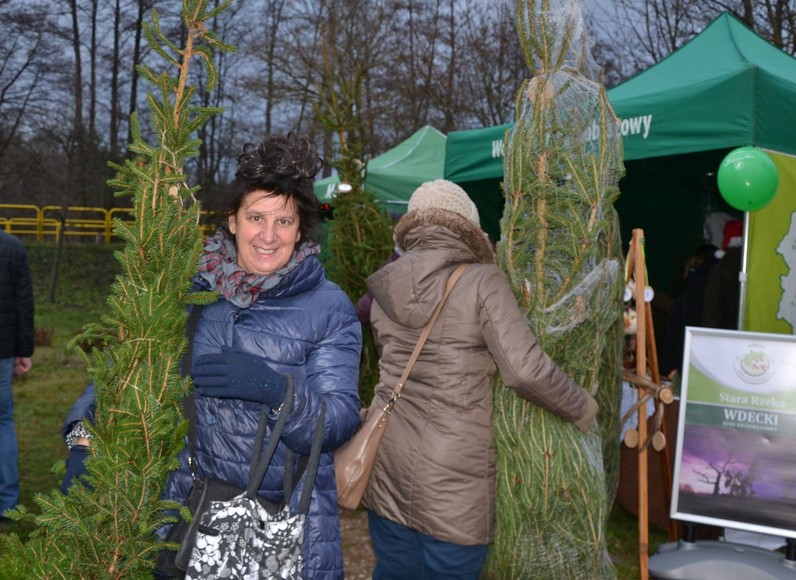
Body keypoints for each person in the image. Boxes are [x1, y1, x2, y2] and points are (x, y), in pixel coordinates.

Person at [61, 133, 362, 578]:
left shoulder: (329, 307)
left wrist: (277, 391)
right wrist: (83, 436)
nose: (268, 235)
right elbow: (130, 363)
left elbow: (338, 421)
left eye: (284, 222)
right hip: (180, 517)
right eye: (256, 217)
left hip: (275, 528)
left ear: (301, 230)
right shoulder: (192, 288)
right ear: (233, 221)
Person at [361, 179, 599, 579]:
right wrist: (583, 407)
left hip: (386, 462)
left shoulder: (385, 284)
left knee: (393, 571)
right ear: (468, 227)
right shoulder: (482, 281)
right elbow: (525, 369)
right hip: (454, 485)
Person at [0, 230, 34, 522]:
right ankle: (7, 503)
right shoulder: (13, 247)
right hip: (3, 350)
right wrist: (24, 351)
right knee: (3, 420)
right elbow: (24, 305)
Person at [659, 243, 719, 375]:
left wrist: (668, 369)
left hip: (682, 367)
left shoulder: (694, 287)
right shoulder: (716, 286)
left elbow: (681, 330)